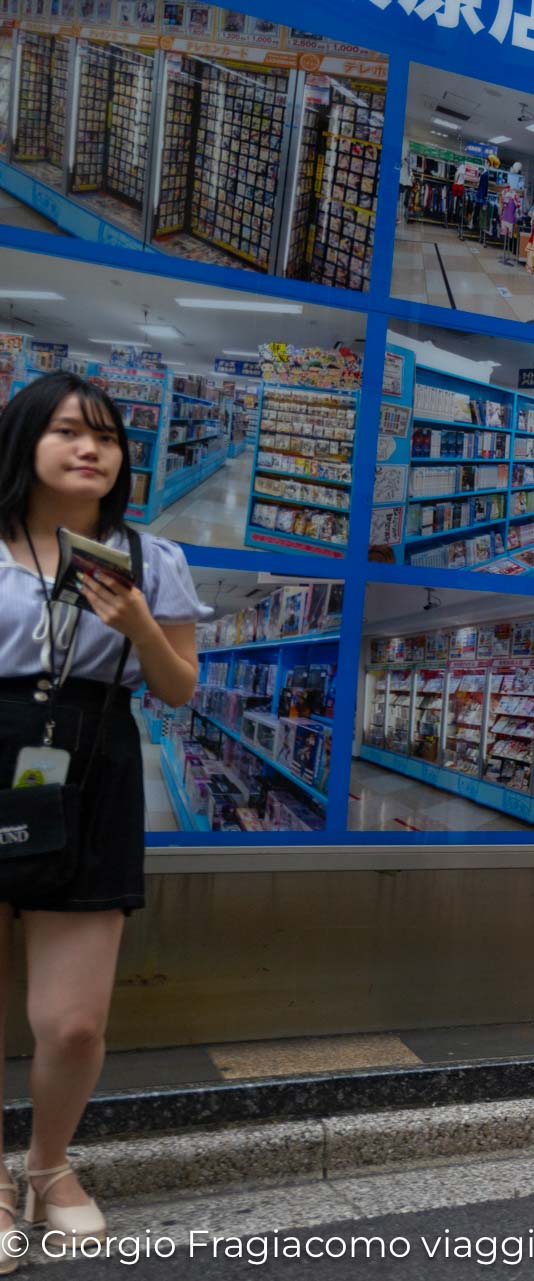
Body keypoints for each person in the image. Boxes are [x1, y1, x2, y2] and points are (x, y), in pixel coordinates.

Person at [0, 372, 208, 1263]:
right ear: (23, 443)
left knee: (74, 1019)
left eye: (109, 437)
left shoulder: (149, 557)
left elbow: (177, 689)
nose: (92, 449)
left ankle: (48, 1164)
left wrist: (133, 622)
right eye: (68, 432)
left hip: (93, 763)